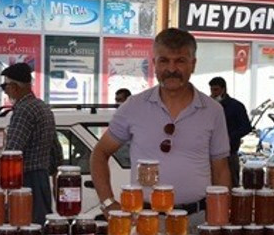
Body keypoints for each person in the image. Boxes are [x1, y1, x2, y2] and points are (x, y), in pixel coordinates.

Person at [90, 28, 231, 217]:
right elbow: (99, 153)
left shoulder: (213, 110)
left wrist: (221, 215)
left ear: (193, 64)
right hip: (144, 218)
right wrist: (108, 203)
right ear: (154, 63)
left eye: (180, 61)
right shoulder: (134, 106)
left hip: (197, 219)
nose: (171, 69)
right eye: (164, 60)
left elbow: (221, 169)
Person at [1, 62, 58, 223]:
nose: (5, 91)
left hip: (27, 179)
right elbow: (56, 148)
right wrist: (54, 174)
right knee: (40, 225)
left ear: (14, 87)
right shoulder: (43, 107)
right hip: (42, 178)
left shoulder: (23, 110)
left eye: (5, 86)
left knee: (26, 227)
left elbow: (12, 149)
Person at [208, 76, 253, 187]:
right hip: (209, 153)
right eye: (211, 90)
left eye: (216, 90)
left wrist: (229, 136)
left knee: (231, 183)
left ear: (223, 89)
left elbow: (246, 127)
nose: (213, 93)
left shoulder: (236, 106)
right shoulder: (208, 106)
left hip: (230, 152)